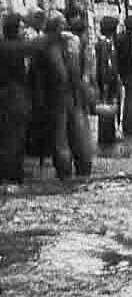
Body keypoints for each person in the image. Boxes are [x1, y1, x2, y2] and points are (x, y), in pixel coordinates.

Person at [32, 11, 93, 178]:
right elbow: (82, 69)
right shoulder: (74, 42)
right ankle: (83, 169)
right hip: (74, 94)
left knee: (60, 138)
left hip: (55, 95)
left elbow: (37, 76)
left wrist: (39, 101)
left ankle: (65, 174)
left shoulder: (42, 45)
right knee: (78, 132)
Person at [0, 13, 33, 183]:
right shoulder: (18, 48)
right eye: (21, 27)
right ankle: (13, 176)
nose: (23, 30)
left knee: (7, 138)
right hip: (15, 97)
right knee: (15, 138)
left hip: (7, 96)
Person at [96, 15, 122, 145]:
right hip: (108, 80)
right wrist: (108, 80)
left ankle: (108, 134)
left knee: (109, 107)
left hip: (109, 79)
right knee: (107, 107)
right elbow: (106, 64)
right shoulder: (105, 43)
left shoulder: (106, 42)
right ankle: (107, 136)